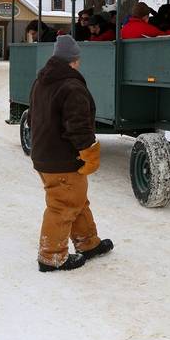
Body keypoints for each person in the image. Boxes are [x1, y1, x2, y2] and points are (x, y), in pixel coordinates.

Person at [28, 35, 113, 272]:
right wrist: (90, 151)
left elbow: (33, 118)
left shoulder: (42, 81)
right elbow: (78, 126)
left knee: (76, 200)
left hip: (45, 155)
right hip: (62, 158)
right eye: (77, 59)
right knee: (63, 205)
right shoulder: (71, 86)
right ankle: (51, 256)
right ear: (73, 60)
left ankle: (88, 244)